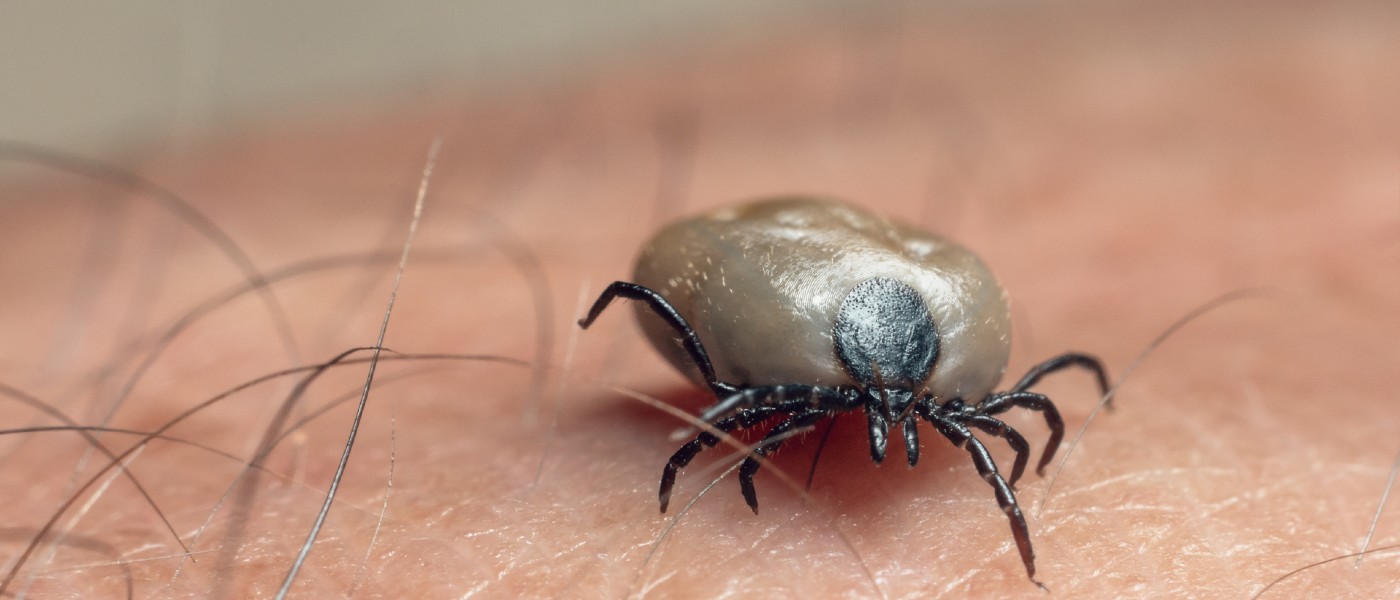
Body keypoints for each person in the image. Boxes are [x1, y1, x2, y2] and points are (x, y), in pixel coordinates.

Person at [0, 2, 1394, 597]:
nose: (911, 439)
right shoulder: (854, 381)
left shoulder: (907, 376)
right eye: (904, 416)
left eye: (946, 423)